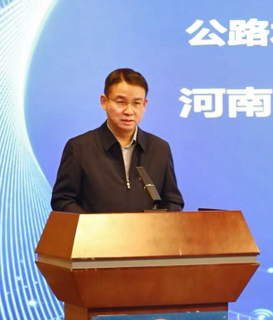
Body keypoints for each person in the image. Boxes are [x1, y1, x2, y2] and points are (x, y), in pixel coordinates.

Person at [50, 68, 184, 213]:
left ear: (145, 104)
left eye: (136, 103)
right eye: (121, 102)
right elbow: (63, 200)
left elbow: (172, 201)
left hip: (147, 228)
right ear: (104, 101)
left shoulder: (159, 148)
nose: (129, 111)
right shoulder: (79, 148)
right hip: (95, 228)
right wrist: (91, 224)